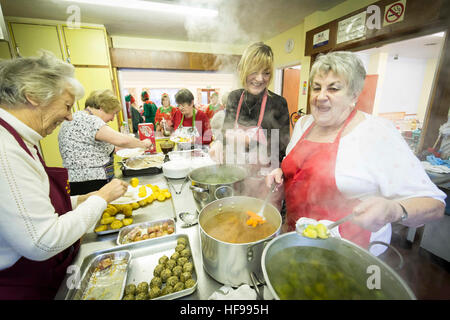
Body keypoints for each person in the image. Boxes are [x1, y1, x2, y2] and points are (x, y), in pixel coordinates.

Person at [266, 51, 445, 252]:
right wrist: (282, 175)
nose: (320, 96)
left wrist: (394, 210)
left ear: (354, 95)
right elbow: (299, 173)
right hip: (295, 240)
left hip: (349, 255)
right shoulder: (304, 124)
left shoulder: (377, 133)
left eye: (333, 89)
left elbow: (435, 204)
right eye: (316, 88)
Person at [0, 51, 129, 299]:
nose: (70, 116)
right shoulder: (5, 151)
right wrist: (100, 198)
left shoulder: (22, 139)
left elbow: (29, 208)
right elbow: (42, 240)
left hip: (48, 274)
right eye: (67, 106)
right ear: (34, 96)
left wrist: (77, 200)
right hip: (24, 285)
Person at [209, 42, 290, 173]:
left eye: (266, 73)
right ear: (242, 70)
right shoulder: (234, 97)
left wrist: (250, 143)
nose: (260, 79)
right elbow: (225, 132)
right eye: (254, 71)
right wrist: (218, 142)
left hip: (263, 177)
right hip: (233, 172)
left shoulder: (278, 103)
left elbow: (281, 152)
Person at [58, 89, 152, 195]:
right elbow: (122, 141)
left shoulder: (77, 118)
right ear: (102, 108)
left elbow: (98, 149)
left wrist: (130, 147)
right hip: (90, 182)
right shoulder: (89, 120)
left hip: (78, 181)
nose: (112, 119)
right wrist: (143, 144)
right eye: (113, 113)